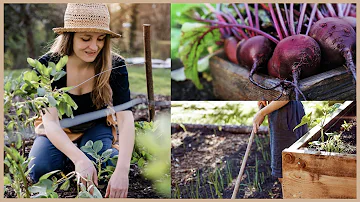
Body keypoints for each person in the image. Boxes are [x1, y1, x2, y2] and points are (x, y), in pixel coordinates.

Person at [28, 3, 134, 198]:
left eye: (101, 39)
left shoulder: (115, 65)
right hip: (59, 128)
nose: (94, 46)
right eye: (86, 38)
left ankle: (87, 153)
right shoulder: (47, 65)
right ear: (70, 37)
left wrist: (122, 171)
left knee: (109, 165)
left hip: (95, 126)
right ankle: (74, 156)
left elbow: (126, 118)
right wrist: (80, 160)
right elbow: (50, 122)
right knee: (40, 169)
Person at [252, 101, 308, 183]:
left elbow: (285, 97)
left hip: (285, 114)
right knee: (288, 169)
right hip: (281, 110)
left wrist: (261, 113)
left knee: (287, 171)